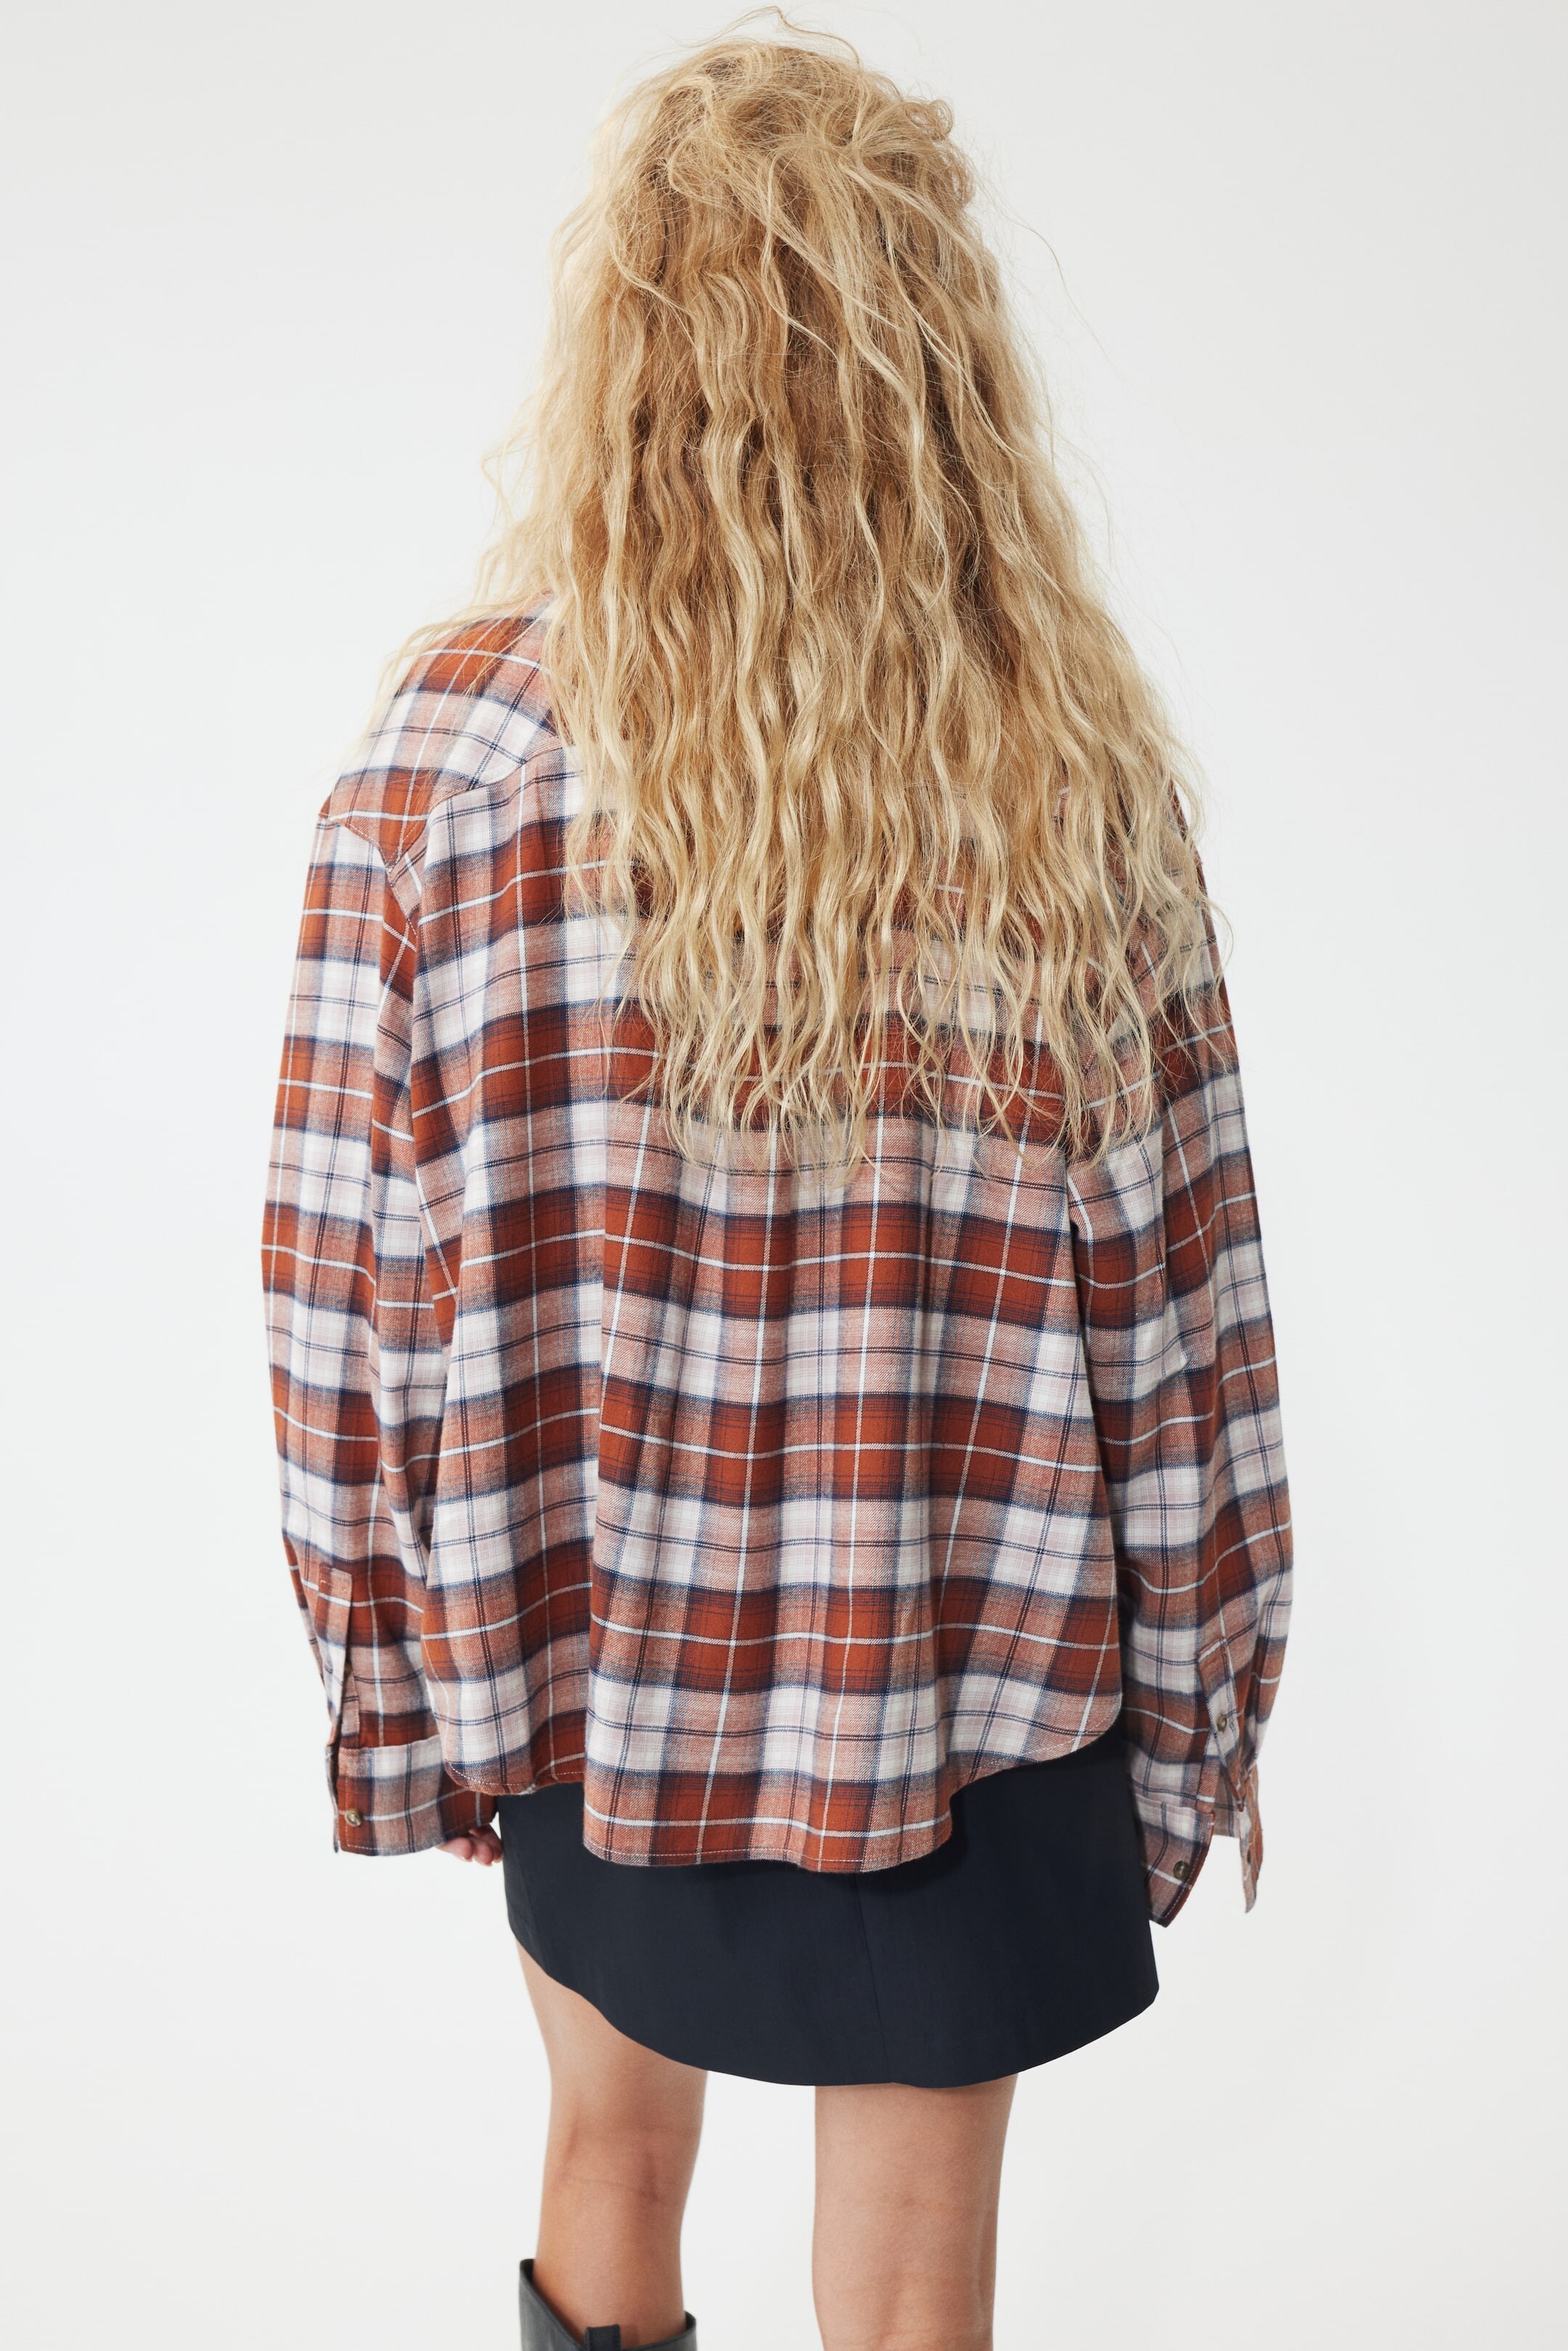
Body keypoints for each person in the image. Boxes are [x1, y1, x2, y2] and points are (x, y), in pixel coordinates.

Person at [261, 25, 1293, 2351]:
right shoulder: (1067, 795)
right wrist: (1205, 1702)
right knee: (918, 2285)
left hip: (590, 1656)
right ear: (946, 367)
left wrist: (398, 1679)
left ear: (626, 347)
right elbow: (1187, 1313)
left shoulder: (447, 763)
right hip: (976, 1677)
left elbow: (346, 1301)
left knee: (606, 2161)